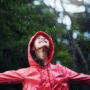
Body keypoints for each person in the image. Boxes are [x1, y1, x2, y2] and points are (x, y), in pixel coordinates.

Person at [0, 31, 90, 90]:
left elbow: (84, 78)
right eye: (38, 38)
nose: (42, 38)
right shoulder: (25, 73)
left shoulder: (61, 70)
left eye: (44, 38)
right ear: (32, 48)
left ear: (50, 46)